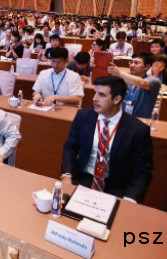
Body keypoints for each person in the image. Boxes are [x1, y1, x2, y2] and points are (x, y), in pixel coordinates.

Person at [60, 75, 153, 204]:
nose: (94, 98)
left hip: (117, 187)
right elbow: (70, 147)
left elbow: (142, 172)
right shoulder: (83, 116)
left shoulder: (138, 129)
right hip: (83, 178)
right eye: (95, 93)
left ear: (116, 99)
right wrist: (66, 176)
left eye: (102, 95)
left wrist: (131, 199)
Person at [107, 52, 161, 119]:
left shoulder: (154, 80)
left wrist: (120, 73)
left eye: (136, 63)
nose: (132, 65)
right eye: (131, 62)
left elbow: (142, 83)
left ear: (146, 66)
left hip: (141, 120)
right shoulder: (126, 79)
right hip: (123, 118)